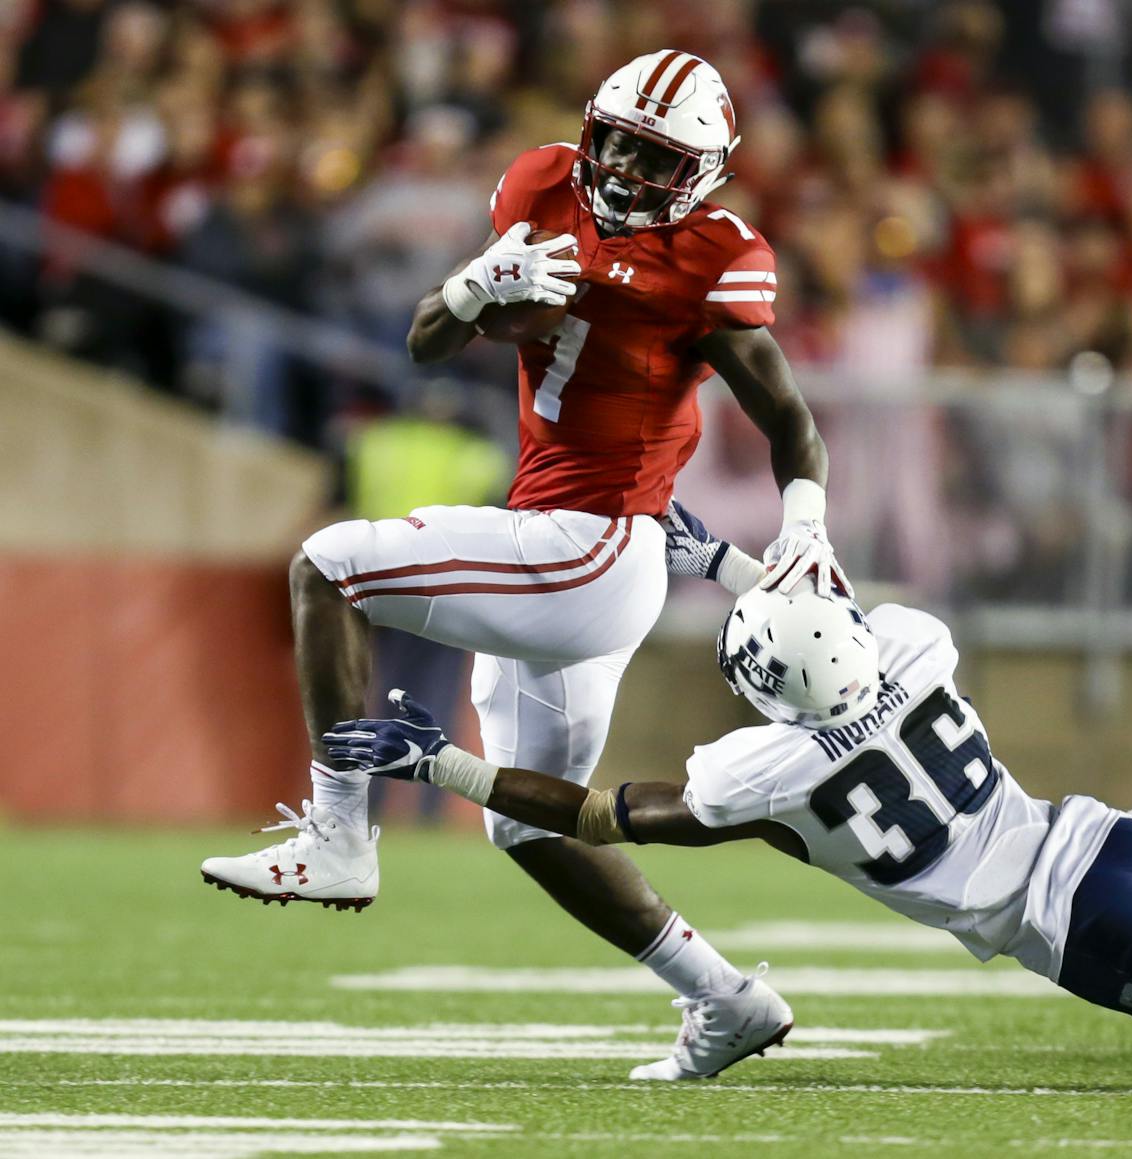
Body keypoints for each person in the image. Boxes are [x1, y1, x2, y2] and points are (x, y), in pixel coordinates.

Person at [200, 51, 849, 1079]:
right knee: (530, 823)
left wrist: (803, 524)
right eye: (621, 140)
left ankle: (337, 834)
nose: (628, 166)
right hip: (559, 534)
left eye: (657, 155)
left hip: (588, 549)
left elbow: (788, 418)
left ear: (705, 172)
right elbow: (430, 341)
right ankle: (726, 998)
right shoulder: (542, 183)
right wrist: (466, 287)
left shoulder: (713, 256)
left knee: (326, 565)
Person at [325, 503, 1132, 1081]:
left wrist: (442, 763)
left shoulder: (767, 769)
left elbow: (602, 813)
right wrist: (725, 562)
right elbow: (826, 607)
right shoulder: (913, 642)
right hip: (1115, 844)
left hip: (1088, 928)